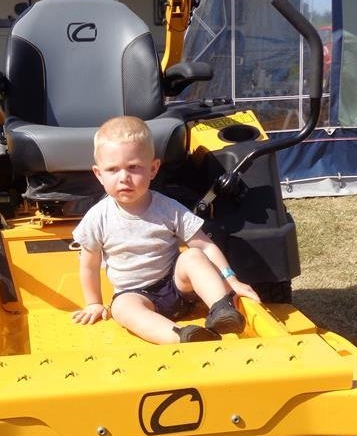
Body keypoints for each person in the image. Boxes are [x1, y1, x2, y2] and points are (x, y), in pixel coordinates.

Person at [71, 115, 260, 343]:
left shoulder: (169, 208)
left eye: (133, 167)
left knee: (193, 255)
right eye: (112, 170)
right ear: (99, 175)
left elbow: (205, 246)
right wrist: (94, 303)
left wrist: (231, 279)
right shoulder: (97, 217)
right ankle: (182, 336)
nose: (124, 178)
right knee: (122, 307)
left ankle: (222, 308)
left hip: (177, 285)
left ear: (152, 169)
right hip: (136, 294)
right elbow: (89, 266)